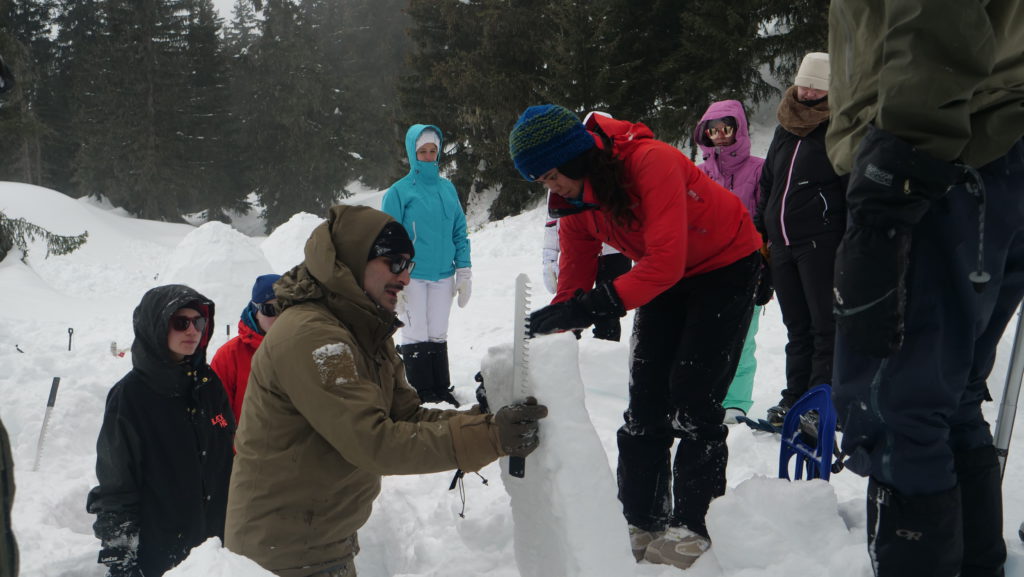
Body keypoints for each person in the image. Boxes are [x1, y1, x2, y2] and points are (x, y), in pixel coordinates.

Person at [224, 205, 547, 577]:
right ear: (351, 260)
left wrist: (484, 420)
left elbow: (406, 416)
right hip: (283, 557)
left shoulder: (363, 330)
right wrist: (492, 436)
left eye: (408, 266)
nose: (405, 279)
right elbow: (374, 442)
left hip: (323, 542)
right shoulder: (314, 337)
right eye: (394, 263)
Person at [510, 105, 761, 570]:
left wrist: (595, 305)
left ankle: (694, 521)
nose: (550, 188)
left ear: (573, 156)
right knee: (645, 399)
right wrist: (547, 328)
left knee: (692, 392)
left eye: (549, 176)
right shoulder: (576, 205)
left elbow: (663, 262)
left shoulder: (651, 161)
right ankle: (643, 517)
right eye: (540, 181)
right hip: (664, 274)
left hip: (724, 263)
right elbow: (574, 283)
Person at [826, 3, 1024, 576]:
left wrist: (894, 178)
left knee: (896, 407)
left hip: (940, 154)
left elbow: (939, 19)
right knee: (949, 394)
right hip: (984, 147)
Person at [86, 285, 235, 577]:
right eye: (180, 322)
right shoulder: (130, 398)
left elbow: (227, 459)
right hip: (162, 555)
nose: (192, 330)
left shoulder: (209, 385)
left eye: (199, 322)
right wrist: (121, 560)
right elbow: (117, 487)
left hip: (217, 551)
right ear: (155, 326)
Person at [754, 52, 847, 427]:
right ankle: (793, 399)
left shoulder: (839, 127)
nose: (807, 91)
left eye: (817, 86)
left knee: (825, 326)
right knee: (797, 328)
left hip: (819, 242)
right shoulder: (785, 124)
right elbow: (768, 181)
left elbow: (848, 187)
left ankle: (821, 402)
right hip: (782, 244)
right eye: (804, 83)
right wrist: (761, 229)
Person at [382, 125, 471, 406]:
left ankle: (439, 388)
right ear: (413, 153)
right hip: (412, 276)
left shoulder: (447, 188)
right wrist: (393, 280)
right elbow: (388, 237)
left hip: (443, 274)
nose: (429, 156)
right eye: (423, 151)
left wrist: (464, 270)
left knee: (437, 332)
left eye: (433, 151)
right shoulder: (399, 192)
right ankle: (420, 391)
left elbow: (459, 230)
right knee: (416, 331)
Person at [694, 99, 768, 424]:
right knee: (703, 337)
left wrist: (767, 268)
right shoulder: (696, 175)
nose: (720, 136)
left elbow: (768, 221)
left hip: (748, 270)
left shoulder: (760, 169)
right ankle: (704, 396)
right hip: (705, 271)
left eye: (727, 128)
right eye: (713, 130)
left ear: (739, 129)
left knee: (742, 338)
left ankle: (736, 403)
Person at [541, 191, 632, 342]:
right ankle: (560, 354)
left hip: (614, 248)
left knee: (608, 311)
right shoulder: (561, 177)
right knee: (569, 303)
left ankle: (603, 357)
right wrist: (549, 257)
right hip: (576, 244)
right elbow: (553, 217)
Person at [211, 273, 282, 422]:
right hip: (247, 444)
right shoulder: (229, 356)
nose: (280, 316)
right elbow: (216, 412)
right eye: (271, 309)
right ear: (255, 312)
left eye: (286, 307)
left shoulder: (305, 350)